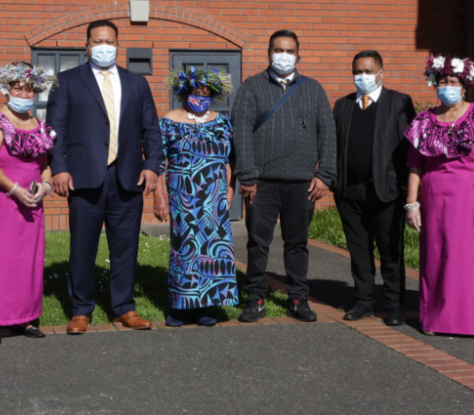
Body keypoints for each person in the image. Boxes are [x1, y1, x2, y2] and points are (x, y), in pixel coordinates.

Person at [46, 20, 164, 334]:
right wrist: (59, 167)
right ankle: (81, 310)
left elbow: (151, 129)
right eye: (97, 41)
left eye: (109, 41)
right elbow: (55, 130)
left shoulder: (136, 83)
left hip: (128, 177)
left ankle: (124, 308)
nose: (103, 46)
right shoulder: (67, 81)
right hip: (84, 177)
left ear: (117, 43)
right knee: (82, 247)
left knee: (125, 247)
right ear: (86, 45)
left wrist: (152, 165)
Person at [230, 30, 337, 323]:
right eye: (278, 50)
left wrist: (325, 175)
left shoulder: (313, 89)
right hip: (261, 183)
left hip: (302, 183)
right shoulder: (251, 87)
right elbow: (241, 133)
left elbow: (327, 134)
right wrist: (248, 176)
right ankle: (255, 297)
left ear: (298, 56)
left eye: (290, 51)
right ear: (268, 53)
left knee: (298, 243)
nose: (284, 56)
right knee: (257, 242)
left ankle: (298, 297)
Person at [404, 55, 474, 337]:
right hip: (434, 199)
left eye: (453, 81)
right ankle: (434, 320)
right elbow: (415, 164)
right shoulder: (424, 120)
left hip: (470, 198)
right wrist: (412, 203)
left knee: (470, 260)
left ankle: (469, 322)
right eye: (442, 81)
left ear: (465, 85)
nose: (447, 86)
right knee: (436, 258)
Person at [0, 63, 57, 344]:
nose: (24, 92)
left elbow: (44, 165)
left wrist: (45, 186)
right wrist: (14, 189)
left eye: (29, 88)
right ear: (7, 89)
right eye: (18, 87)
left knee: (27, 261)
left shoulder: (39, 126)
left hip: (31, 204)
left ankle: (26, 317)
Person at [333, 50, 416, 326]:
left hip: (386, 191)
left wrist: (405, 188)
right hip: (350, 192)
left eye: (368, 71)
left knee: (390, 250)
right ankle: (364, 301)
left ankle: (393, 305)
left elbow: (409, 149)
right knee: (359, 250)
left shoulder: (398, 103)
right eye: (357, 71)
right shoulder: (343, 106)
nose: (362, 76)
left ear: (381, 72)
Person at [153, 67, 239, 327]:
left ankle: (205, 307)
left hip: (214, 197)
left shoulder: (222, 123)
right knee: (184, 249)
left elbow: (231, 161)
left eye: (205, 93)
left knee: (212, 250)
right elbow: (158, 162)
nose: (200, 97)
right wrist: (159, 197)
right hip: (183, 196)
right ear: (184, 93)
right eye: (195, 93)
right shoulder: (169, 120)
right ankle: (179, 307)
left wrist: (230, 192)